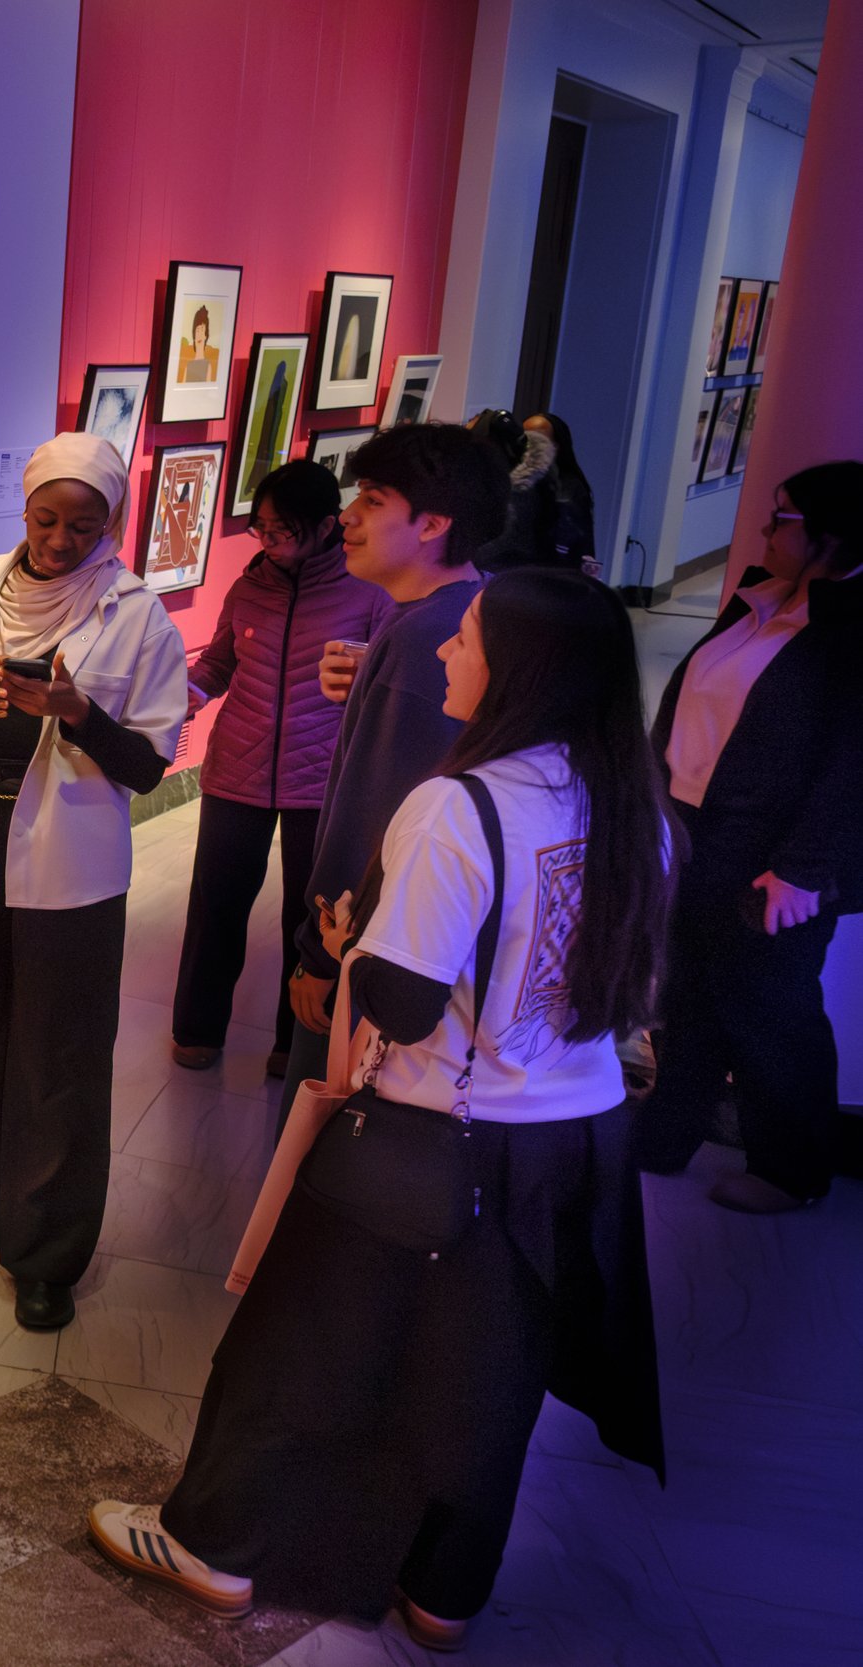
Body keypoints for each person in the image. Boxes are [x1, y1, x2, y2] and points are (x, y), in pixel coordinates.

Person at [91, 569, 672, 1648]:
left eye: (467, 640)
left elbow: (401, 1002)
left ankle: (216, 1545)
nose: (445, 652)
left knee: (291, 1350)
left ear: (522, 671)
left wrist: (351, 933)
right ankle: (444, 1591)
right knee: (490, 1377)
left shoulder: (459, 807)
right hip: (576, 1144)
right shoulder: (631, 806)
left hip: (426, 1141)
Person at [0, 434, 187, 1332]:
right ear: (23, 510)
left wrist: (78, 713)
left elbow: (149, 765)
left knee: (60, 1058)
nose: (59, 540)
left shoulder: (137, 618)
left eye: (83, 526)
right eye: (46, 519)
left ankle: (47, 1251)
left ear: (114, 522)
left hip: (73, 871)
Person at [639, 462, 863, 1211]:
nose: (766, 530)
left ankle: (792, 1170)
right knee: (688, 991)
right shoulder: (760, 597)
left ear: (832, 534)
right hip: (693, 829)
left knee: (771, 1008)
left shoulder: (849, 629)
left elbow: (851, 766)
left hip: (772, 854)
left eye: (783, 518)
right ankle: (667, 1132)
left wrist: (803, 868)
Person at [278, 422, 508, 1121]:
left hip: (375, 942)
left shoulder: (421, 637)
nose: (347, 516)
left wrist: (322, 954)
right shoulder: (474, 609)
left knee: (319, 1124)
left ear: (433, 524)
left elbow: (374, 813)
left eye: (373, 500)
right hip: (426, 942)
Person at [172, 461, 388, 1078]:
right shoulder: (250, 586)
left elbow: (379, 681)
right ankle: (196, 1028)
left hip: (321, 777)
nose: (267, 541)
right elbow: (218, 664)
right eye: (260, 528)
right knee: (216, 903)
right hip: (236, 770)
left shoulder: (366, 591)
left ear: (325, 526)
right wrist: (189, 690)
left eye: (281, 530)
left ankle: (295, 1045)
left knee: (310, 913)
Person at [465, 408, 564, 572]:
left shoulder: (521, 490)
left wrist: (458, 559)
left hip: (507, 576)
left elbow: (504, 542)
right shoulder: (515, 478)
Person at [524, 410, 599, 576]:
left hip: (547, 577)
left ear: (556, 447)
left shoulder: (570, 491)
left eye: (538, 439)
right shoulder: (513, 480)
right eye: (525, 439)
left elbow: (575, 548)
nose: (528, 446)